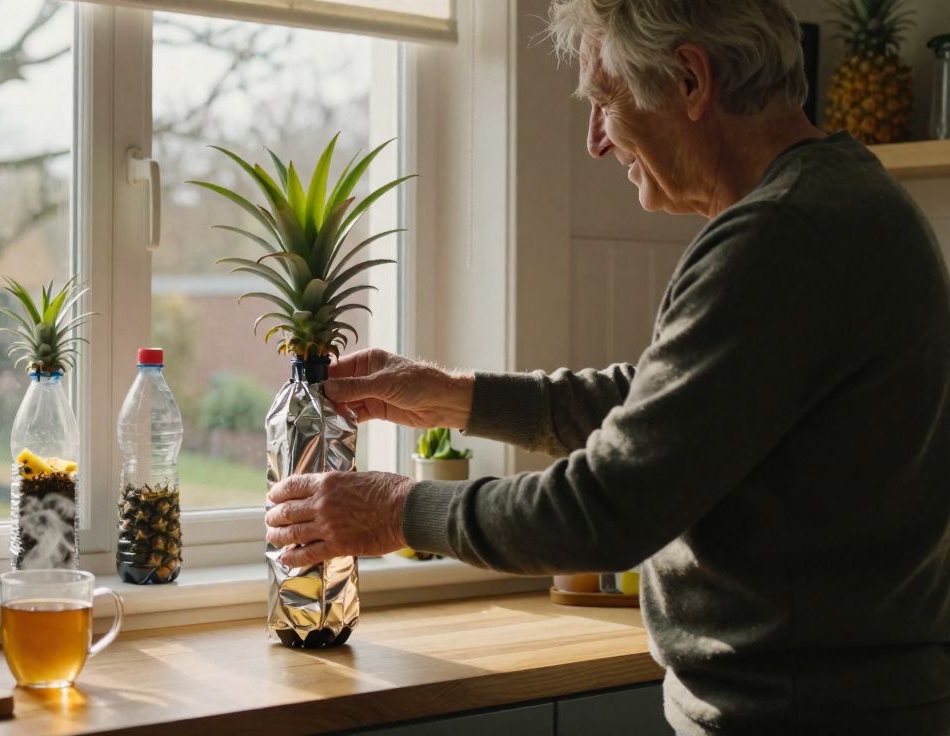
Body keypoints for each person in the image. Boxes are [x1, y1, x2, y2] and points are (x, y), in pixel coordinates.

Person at [262, 1, 950, 734]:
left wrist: (395, 511)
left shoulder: (781, 237)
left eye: (603, 99)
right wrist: (453, 397)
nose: (595, 141)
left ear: (690, 79)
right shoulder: (844, 198)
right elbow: (673, 407)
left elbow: (604, 510)